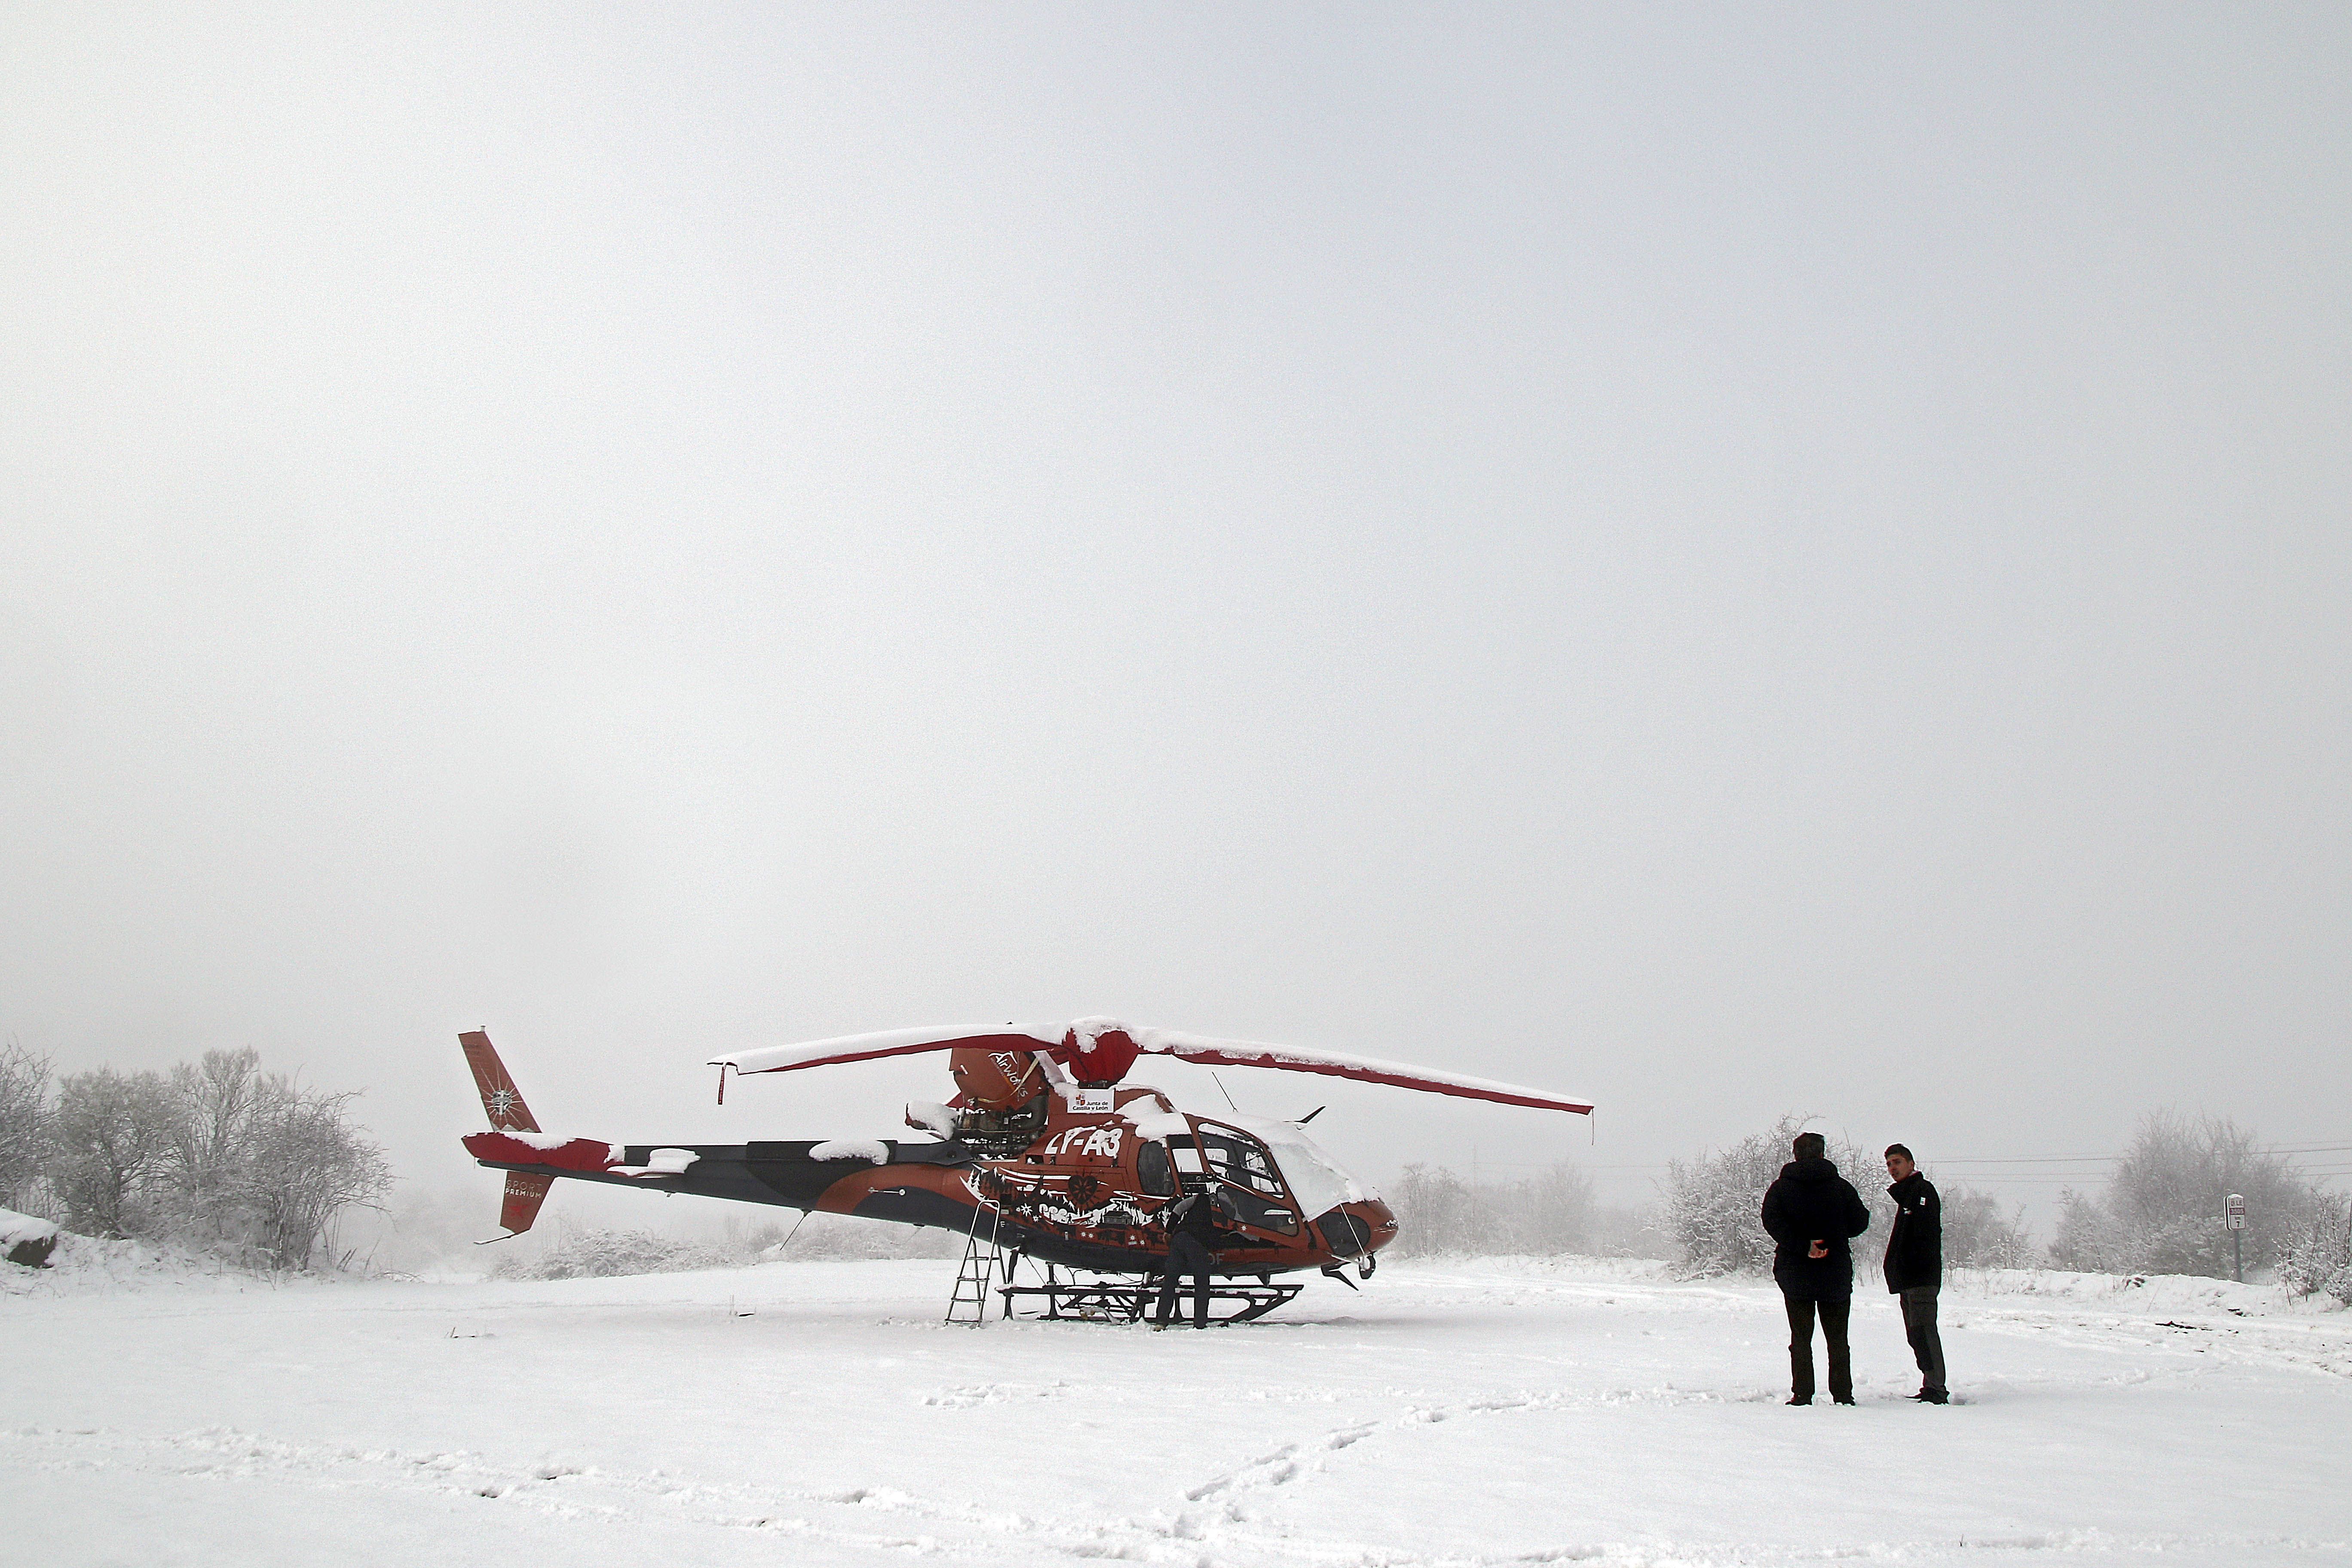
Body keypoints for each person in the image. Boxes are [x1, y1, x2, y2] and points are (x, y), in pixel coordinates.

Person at [1760, 1131, 1872, 1405]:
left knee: (1800, 1338)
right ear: (1822, 1153)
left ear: (1795, 1154)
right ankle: (1843, 1395)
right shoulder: (1840, 1187)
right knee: (1838, 1339)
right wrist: (1833, 1236)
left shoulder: (1781, 1188)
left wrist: (1802, 1245)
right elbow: (1860, 1221)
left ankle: (1802, 1394)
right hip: (1834, 1271)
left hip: (1795, 1272)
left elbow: (1771, 1221)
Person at [1883, 1143, 1948, 1403]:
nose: (1893, 1169)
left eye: (1897, 1162)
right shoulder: (1908, 1195)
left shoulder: (1922, 1192)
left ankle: (1937, 1389)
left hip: (1921, 1278)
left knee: (1924, 1332)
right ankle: (1930, 1385)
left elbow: (1925, 1236)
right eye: (1889, 1164)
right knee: (1915, 1333)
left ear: (1911, 1164)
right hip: (1909, 1279)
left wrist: (1914, 1265)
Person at [1153, 1182, 1237, 1329]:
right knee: (1202, 1282)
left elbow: (1179, 1208)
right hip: (1198, 1244)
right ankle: (1199, 1323)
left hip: (1179, 1238)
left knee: (1170, 1281)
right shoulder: (1229, 1209)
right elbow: (1227, 1231)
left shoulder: (1200, 1198)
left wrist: (1169, 1230)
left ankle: (1161, 1321)